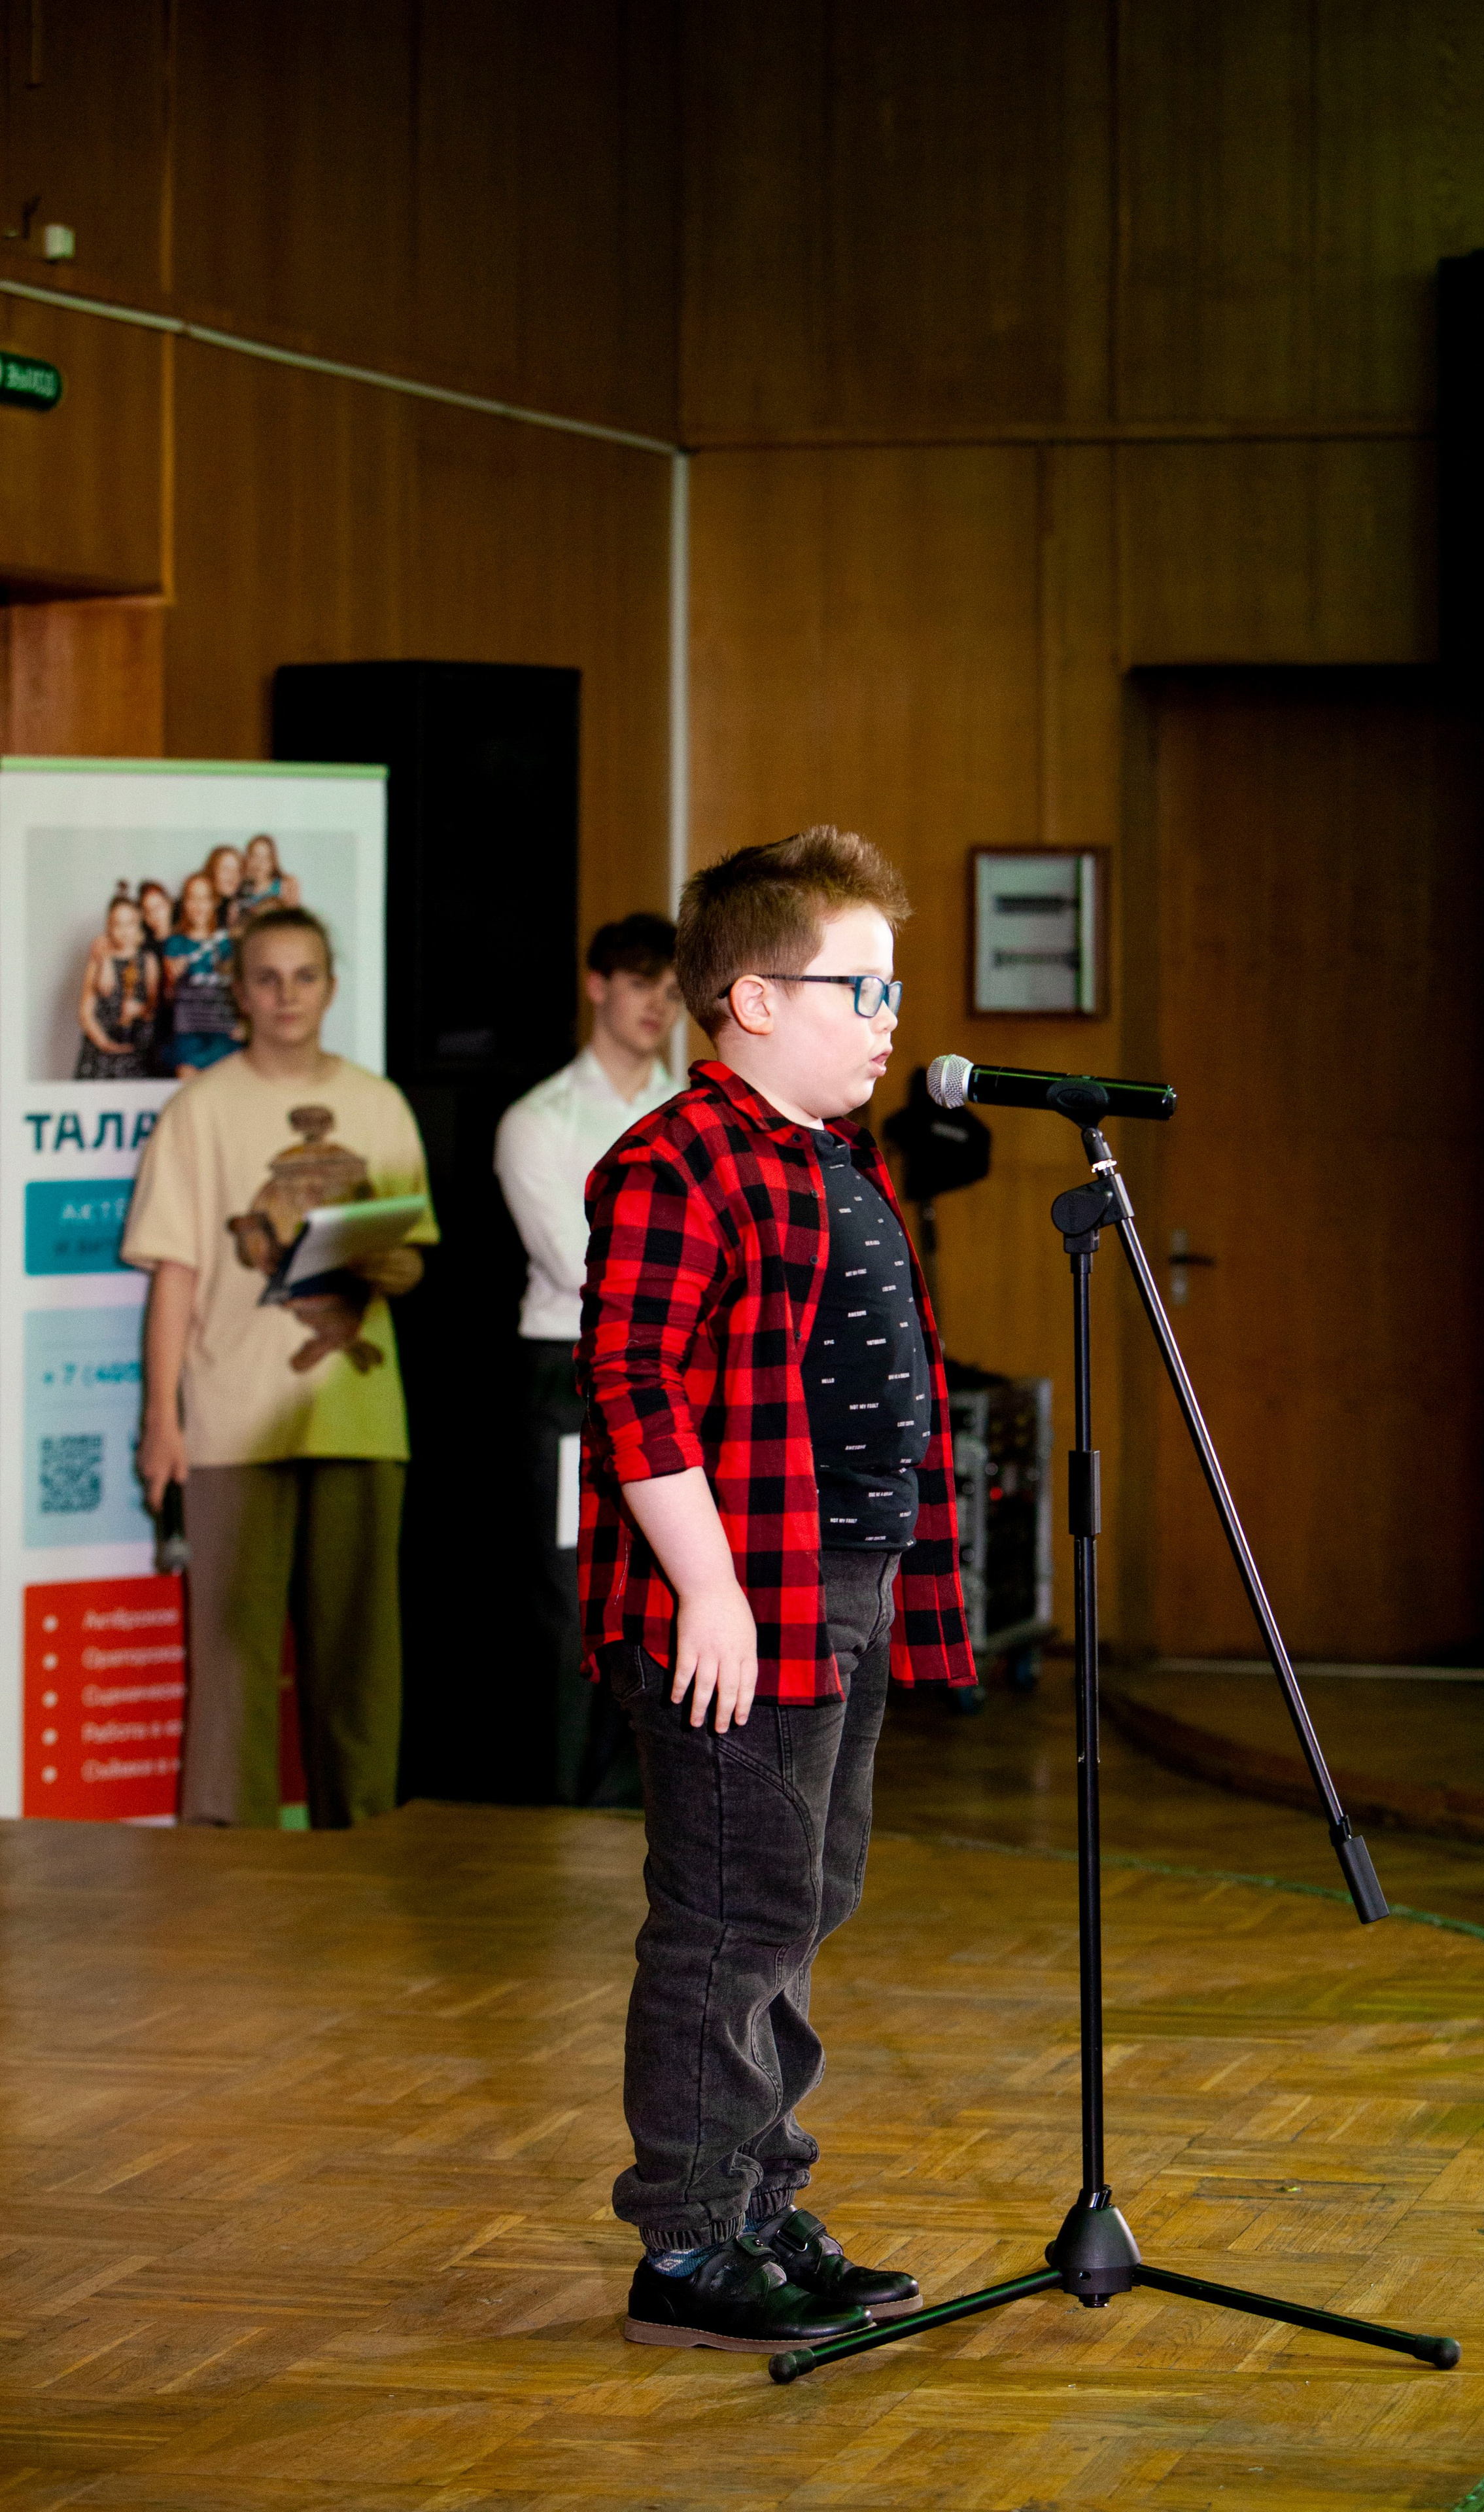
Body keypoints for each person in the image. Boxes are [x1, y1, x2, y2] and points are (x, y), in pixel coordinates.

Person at [577, 826, 975, 2354]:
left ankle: (753, 2197)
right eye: (856, 987)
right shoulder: (672, 1157)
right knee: (727, 1918)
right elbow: (629, 1382)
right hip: (743, 1599)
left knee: (800, 1904)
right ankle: (684, 2235)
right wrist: (715, 1593)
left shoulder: (836, 1154)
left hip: (845, 1585)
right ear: (748, 1000)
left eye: (889, 988)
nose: (887, 1018)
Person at [123, 903, 437, 1830]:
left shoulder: (379, 1104)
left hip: (357, 1410)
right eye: (268, 978)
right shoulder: (200, 1110)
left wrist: (387, 1261)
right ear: (241, 995)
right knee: (232, 1654)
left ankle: (365, 1837)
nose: (287, 995)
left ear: (330, 988)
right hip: (231, 1417)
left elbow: (410, 1257)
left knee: (359, 1655)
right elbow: (174, 1277)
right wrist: (160, 1421)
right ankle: (227, 1855)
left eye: (305, 977)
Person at [494, 911, 682, 1806]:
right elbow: (582, 1268)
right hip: (568, 1372)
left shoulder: (690, 1110)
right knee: (573, 1596)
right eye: (643, 982)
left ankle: (643, 1795)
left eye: (676, 989)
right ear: (598, 984)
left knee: (674, 1583)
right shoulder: (538, 1119)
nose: (660, 1004)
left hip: (682, 1374)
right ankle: (567, 1795)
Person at [75, 887, 158, 1079]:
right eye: (118, 924)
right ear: (109, 927)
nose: (124, 931)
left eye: (130, 924)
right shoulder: (99, 959)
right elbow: (85, 1013)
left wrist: (140, 1010)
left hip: (135, 1052)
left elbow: (153, 1007)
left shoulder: (148, 961)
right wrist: (105, 1044)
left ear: (139, 924)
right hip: (100, 1052)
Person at [163, 870, 240, 1075]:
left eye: (204, 898)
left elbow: (240, 990)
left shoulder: (227, 943)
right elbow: (166, 997)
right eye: (192, 898)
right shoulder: (174, 944)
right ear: (184, 903)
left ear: (214, 902)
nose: (198, 906)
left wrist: (244, 1024)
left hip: (225, 1035)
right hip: (188, 1038)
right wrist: (172, 978)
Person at [137, 880, 177, 1075]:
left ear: (169, 904)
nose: (155, 916)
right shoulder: (142, 948)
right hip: (157, 1030)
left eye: (159, 907)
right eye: (148, 911)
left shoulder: (185, 939)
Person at [235, 832, 287, 926]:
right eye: (255, 856)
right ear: (248, 859)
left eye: (265, 858)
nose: (259, 863)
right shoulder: (240, 889)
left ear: (273, 862)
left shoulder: (283, 888)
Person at [204, 843, 245, 931]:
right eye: (226, 869)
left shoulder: (240, 907)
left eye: (237, 870)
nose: (233, 876)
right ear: (212, 872)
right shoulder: (197, 905)